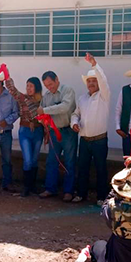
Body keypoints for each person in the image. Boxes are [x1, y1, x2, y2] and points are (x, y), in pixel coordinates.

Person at [71, 53, 110, 205]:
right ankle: (81, 194)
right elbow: (75, 114)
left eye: (94, 81)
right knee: (82, 169)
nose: (92, 83)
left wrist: (94, 64)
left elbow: (104, 80)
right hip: (85, 140)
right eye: (89, 81)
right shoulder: (82, 98)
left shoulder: (104, 96)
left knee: (101, 169)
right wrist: (74, 123)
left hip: (99, 140)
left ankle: (101, 197)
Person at [37, 71, 77, 201]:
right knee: (51, 161)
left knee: (70, 162)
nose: (49, 87)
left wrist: (46, 111)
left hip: (68, 131)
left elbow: (65, 107)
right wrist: (42, 119)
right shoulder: (46, 96)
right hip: (53, 132)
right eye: (46, 85)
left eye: (51, 84)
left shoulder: (68, 90)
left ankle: (68, 191)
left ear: (57, 79)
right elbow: (40, 111)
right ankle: (50, 188)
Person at [5, 75, 43, 197]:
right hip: (25, 131)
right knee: (27, 159)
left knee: (34, 159)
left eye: (31, 86)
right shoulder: (22, 98)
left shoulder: (42, 100)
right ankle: (26, 187)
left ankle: (32, 186)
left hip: (38, 131)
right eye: (27, 85)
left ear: (36, 87)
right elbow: (12, 89)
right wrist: (7, 75)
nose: (28, 88)